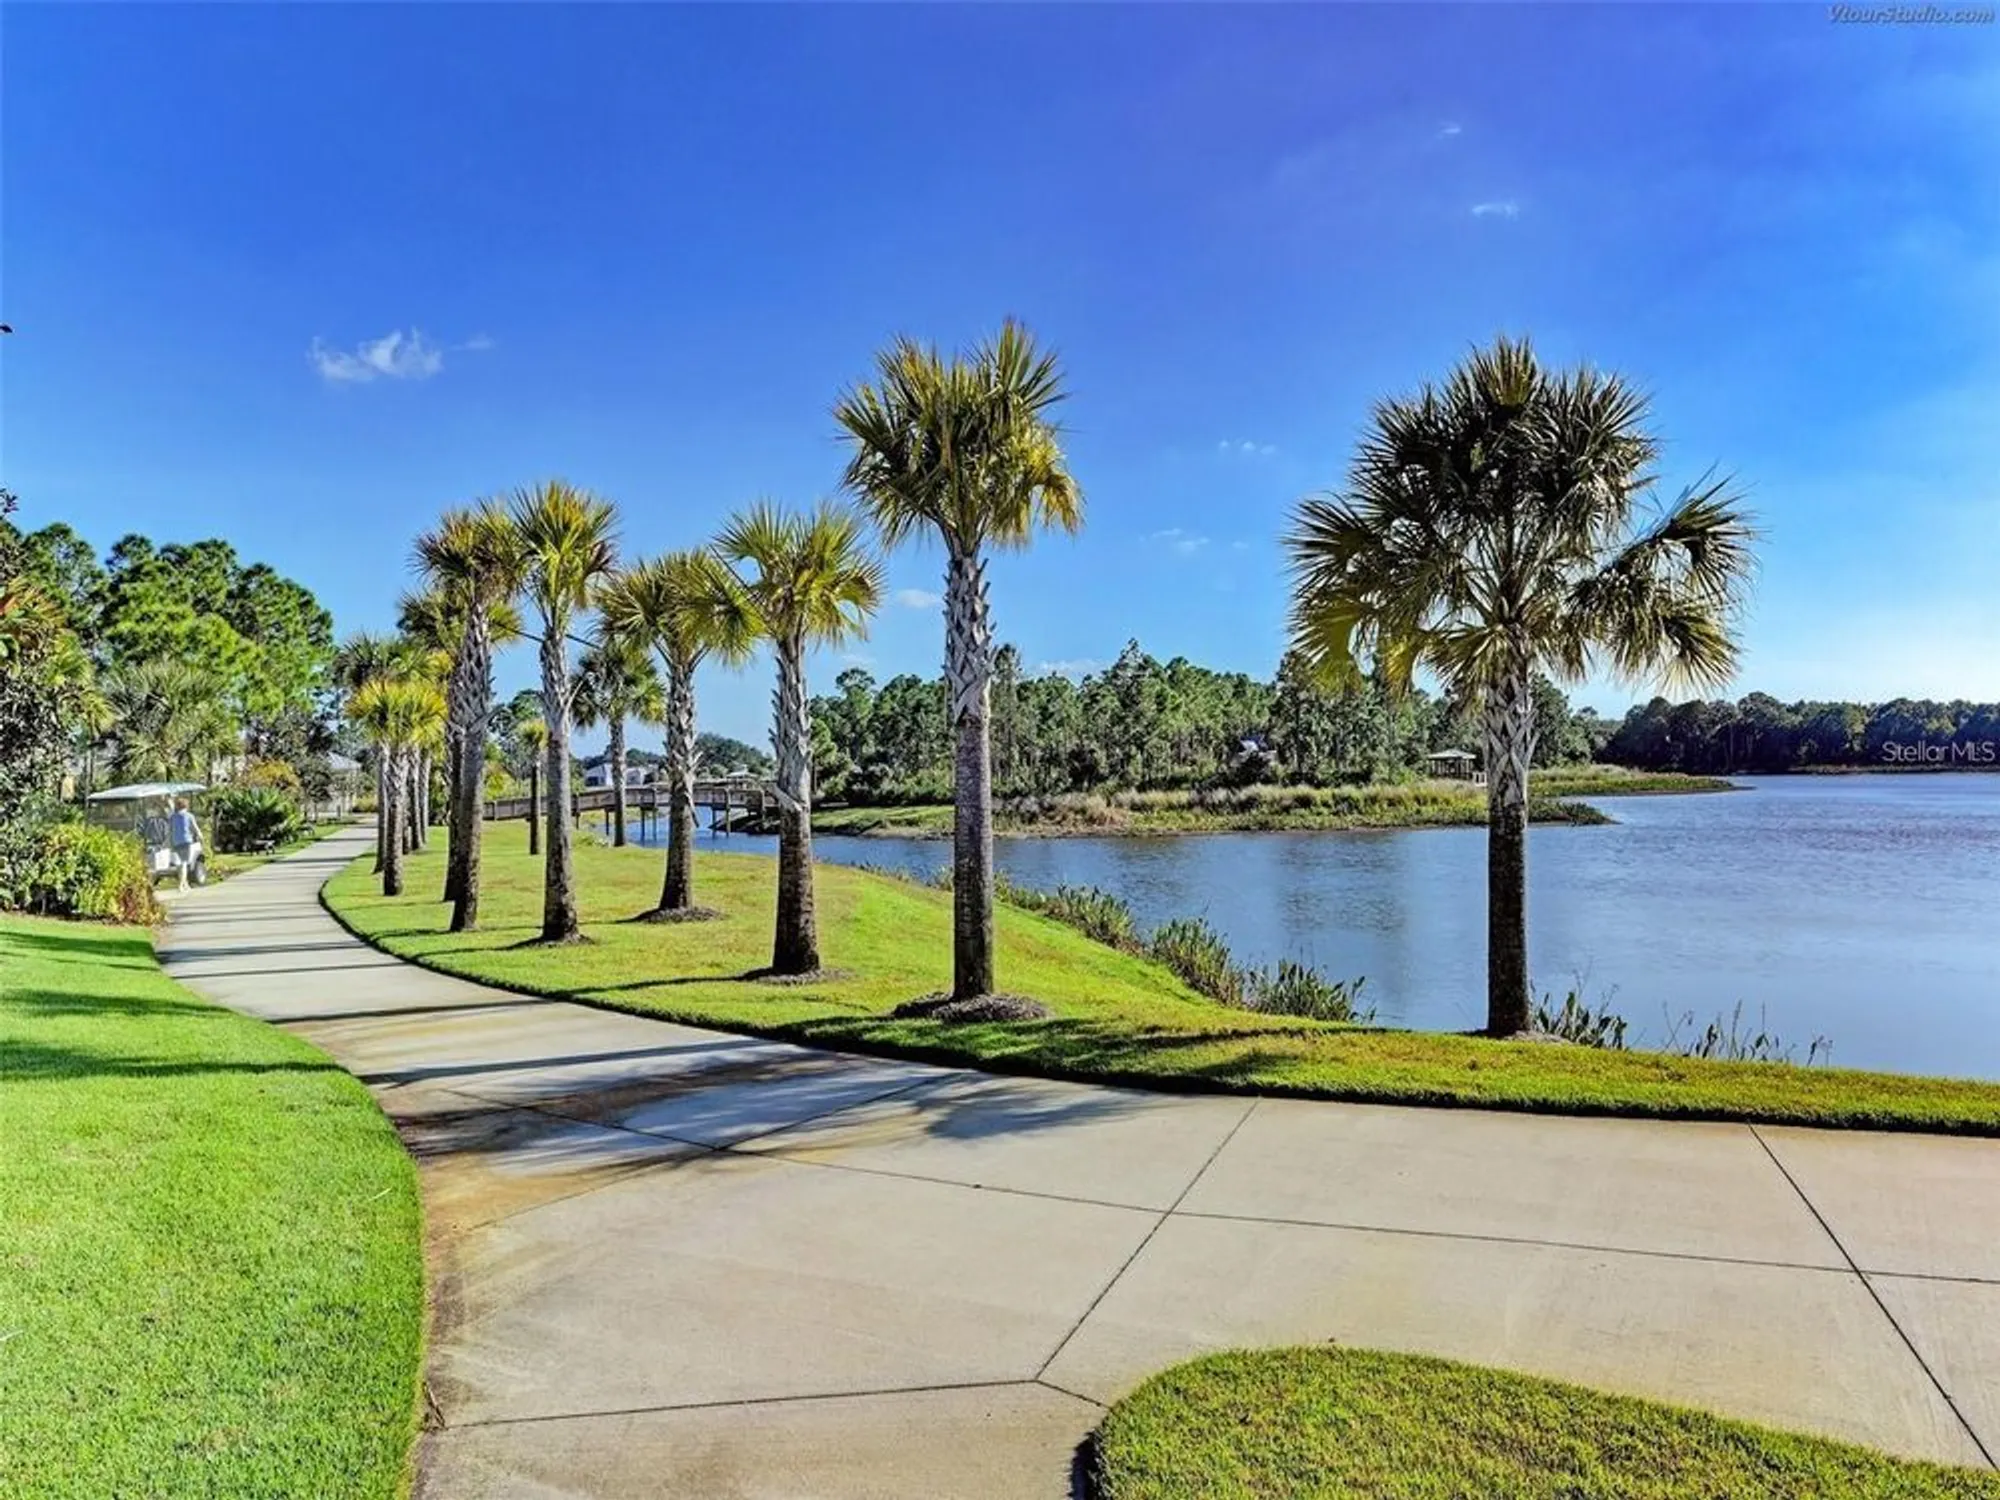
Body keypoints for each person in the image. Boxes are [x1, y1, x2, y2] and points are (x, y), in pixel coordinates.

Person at [168, 797, 202, 891]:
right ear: (186, 806)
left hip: (176, 841)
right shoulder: (189, 816)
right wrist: (200, 836)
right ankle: (180, 885)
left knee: (179, 865)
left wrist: (170, 843)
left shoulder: (172, 817)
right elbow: (195, 828)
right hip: (186, 841)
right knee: (184, 863)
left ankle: (186, 884)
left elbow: (170, 830)